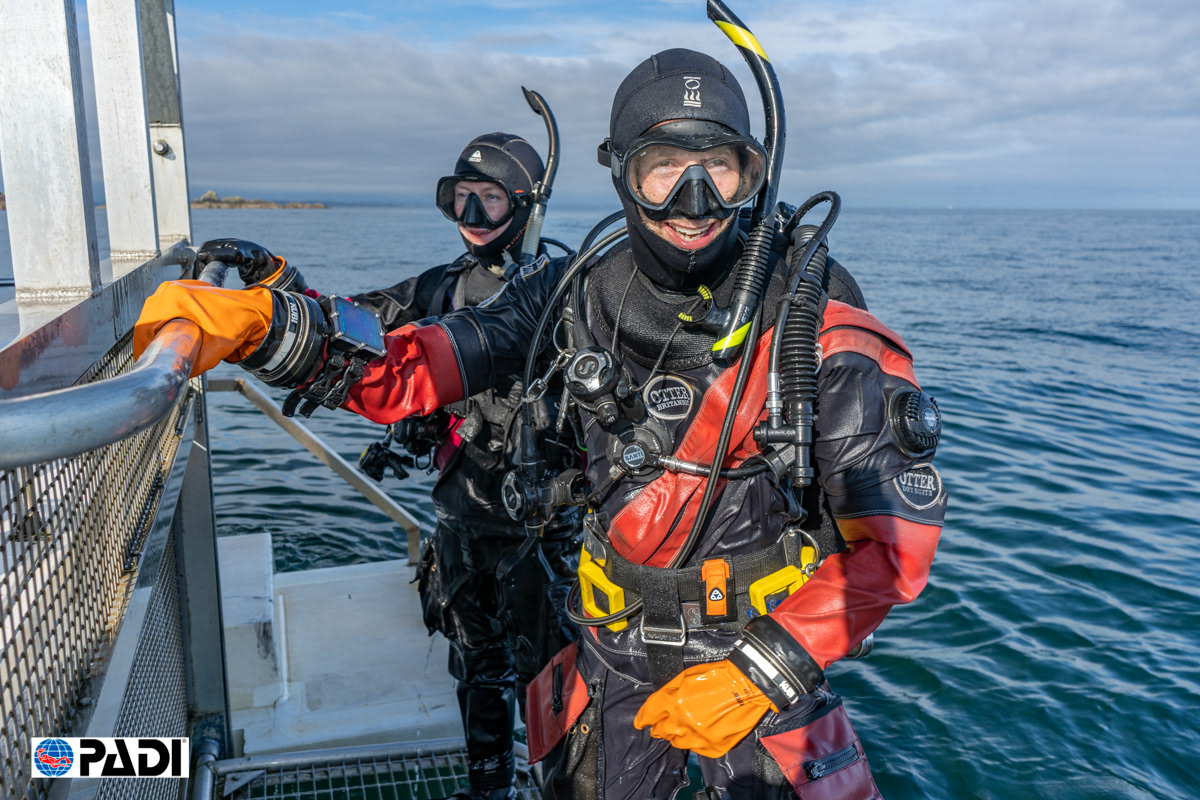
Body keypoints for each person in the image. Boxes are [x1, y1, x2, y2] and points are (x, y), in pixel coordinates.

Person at [135, 46, 946, 800]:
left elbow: (894, 544)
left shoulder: (807, 313)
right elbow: (415, 365)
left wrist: (765, 669)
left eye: (719, 168)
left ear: (753, 175)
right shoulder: (572, 293)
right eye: (664, 168)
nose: (694, 201)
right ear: (623, 173)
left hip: (762, 642)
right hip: (614, 643)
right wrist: (269, 329)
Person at [189, 132, 580, 800]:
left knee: (553, 678)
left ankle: (560, 789)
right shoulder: (442, 286)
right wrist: (275, 282)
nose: (471, 216)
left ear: (526, 205)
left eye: (488, 199)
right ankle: (489, 788)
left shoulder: (566, 289)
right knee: (475, 660)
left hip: (542, 530)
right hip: (462, 514)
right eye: (460, 198)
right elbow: (353, 321)